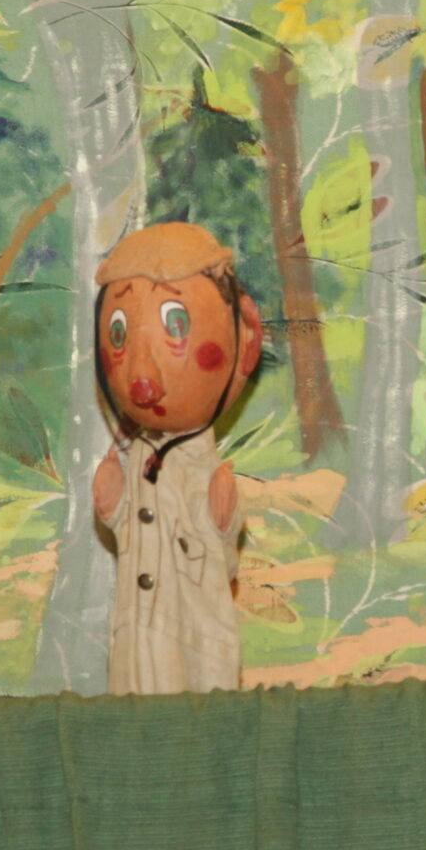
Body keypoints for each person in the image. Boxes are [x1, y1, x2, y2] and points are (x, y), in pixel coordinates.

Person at [89, 222, 264, 695]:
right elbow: (136, 534)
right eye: (118, 333)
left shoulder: (202, 466)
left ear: (246, 339)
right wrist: (116, 509)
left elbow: (219, 561)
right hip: (137, 634)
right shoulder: (137, 457)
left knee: (194, 703)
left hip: (194, 632)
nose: (141, 370)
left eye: (176, 325)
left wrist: (223, 522)